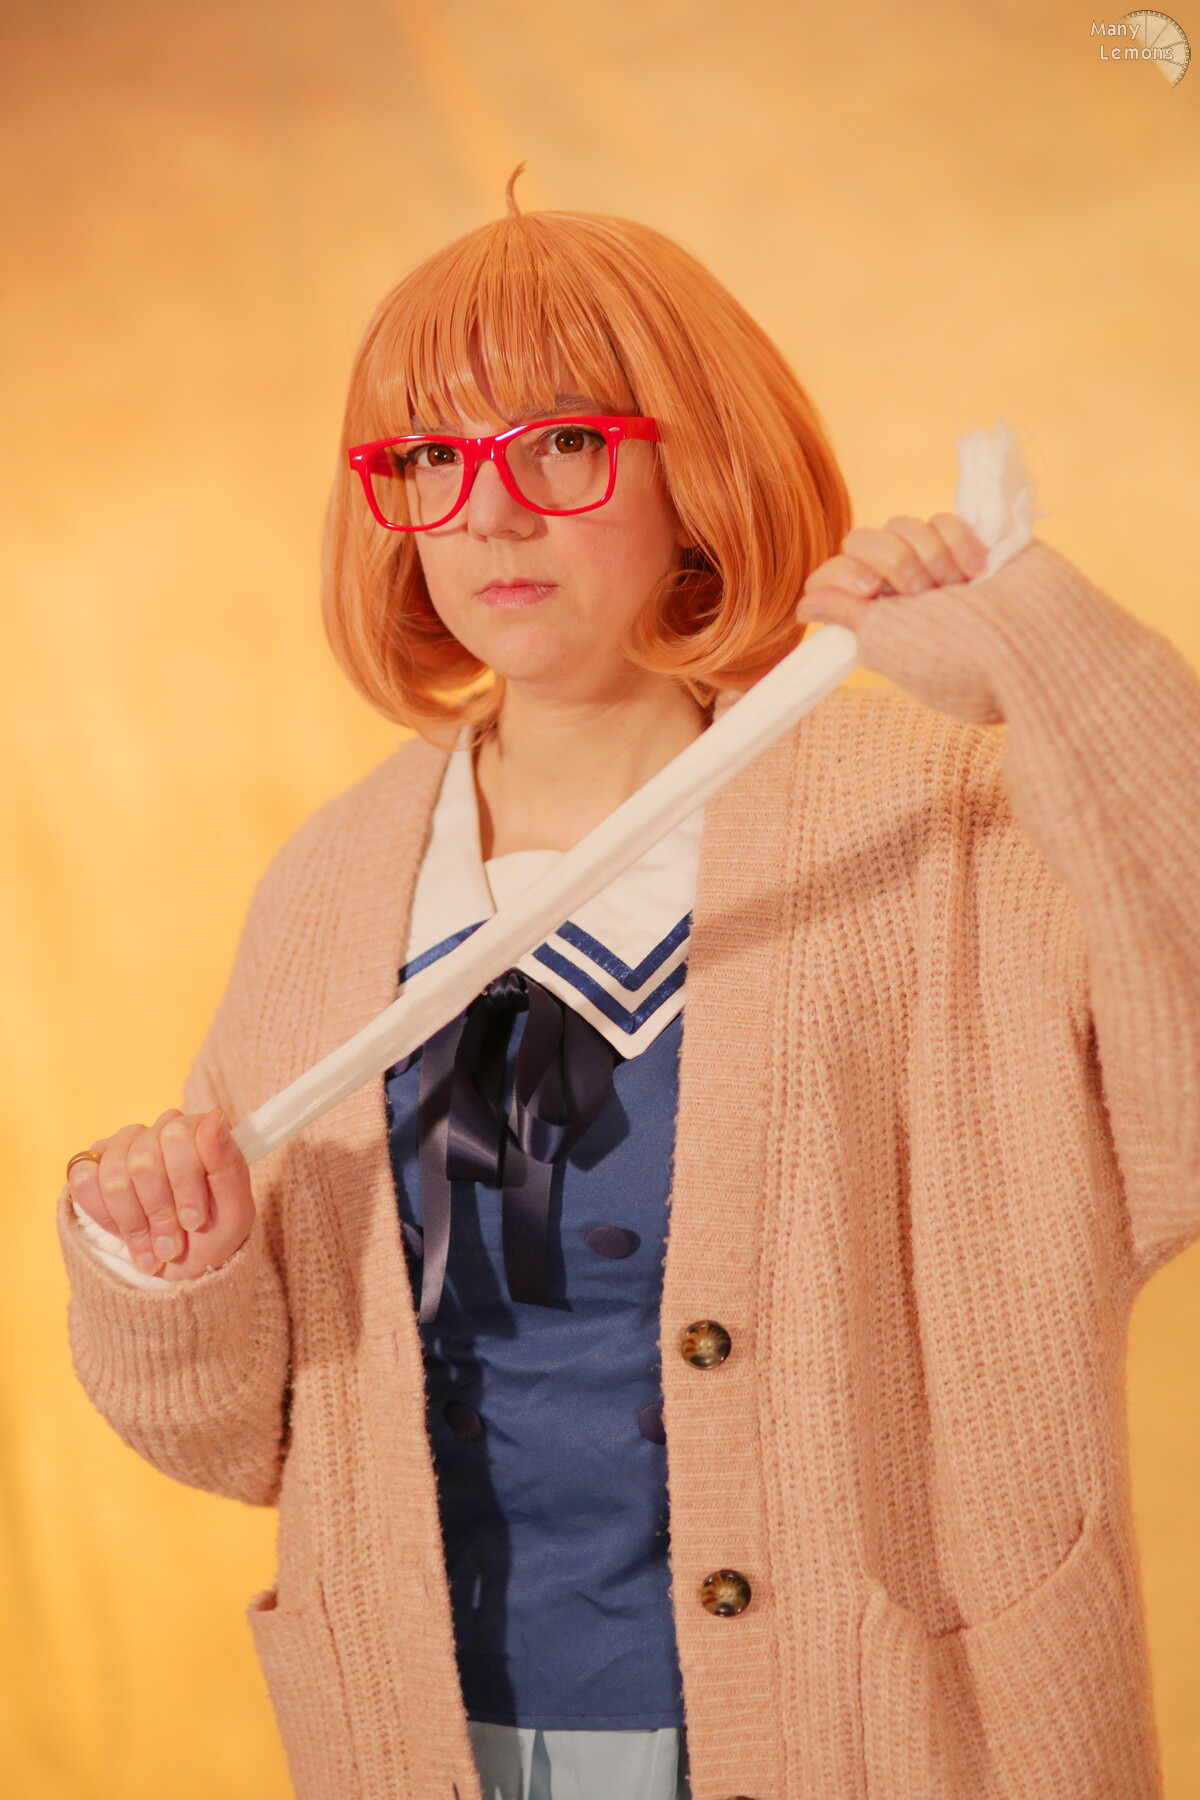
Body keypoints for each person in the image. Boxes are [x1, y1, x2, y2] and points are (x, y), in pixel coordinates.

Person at [57, 174, 1200, 1800]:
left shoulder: (930, 826)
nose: (490, 514)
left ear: (698, 471)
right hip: (441, 1745)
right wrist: (176, 1276)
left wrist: (1042, 648)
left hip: (888, 1729)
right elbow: (239, 1438)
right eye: (430, 459)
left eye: (565, 444)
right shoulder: (333, 890)